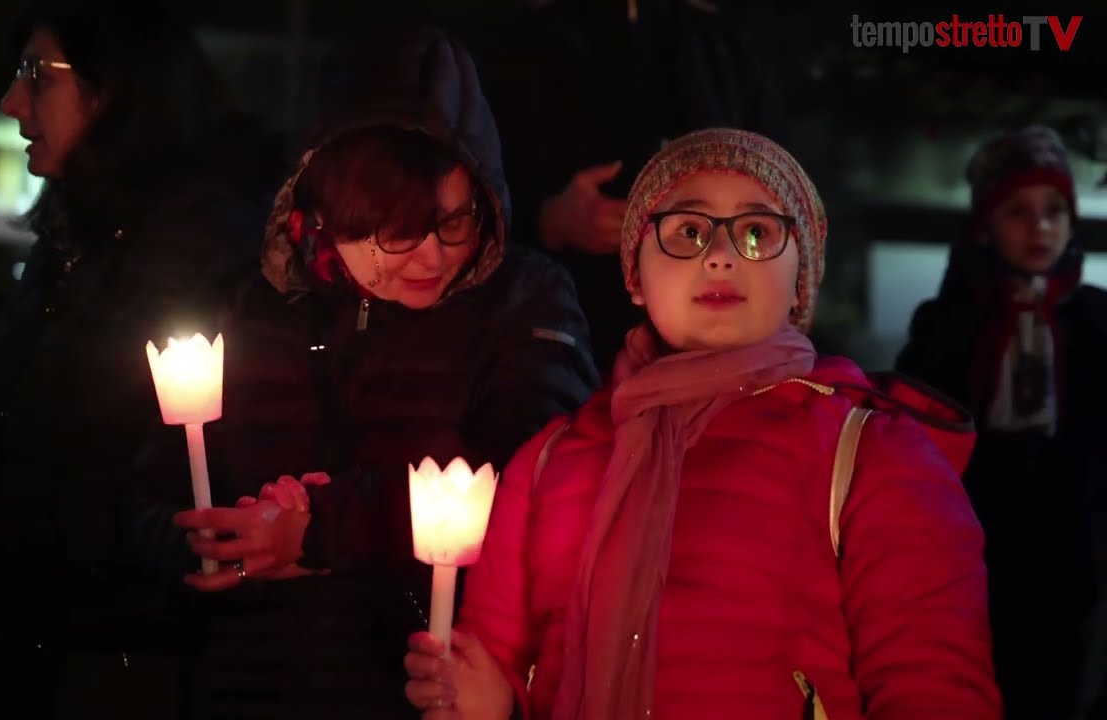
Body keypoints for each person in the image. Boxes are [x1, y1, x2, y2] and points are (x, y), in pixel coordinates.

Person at [403, 129, 1001, 719]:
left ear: (801, 280)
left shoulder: (874, 454)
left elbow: (932, 685)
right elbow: (507, 661)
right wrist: (486, 702)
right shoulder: (549, 462)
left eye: (756, 233)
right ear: (636, 273)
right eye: (688, 231)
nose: (720, 255)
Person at [129, 25, 600, 719]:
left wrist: (320, 528)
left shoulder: (522, 301)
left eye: (456, 222)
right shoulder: (253, 307)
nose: (433, 258)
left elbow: (527, 478)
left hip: (424, 690)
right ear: (323, 211)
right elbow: (146, 489)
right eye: (397, 231)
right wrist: (202, 539)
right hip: (249, 685)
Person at [0, 2, 278, 717]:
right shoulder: (79, 234)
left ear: (113, 90)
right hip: (35, 633)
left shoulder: (190, 252)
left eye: (36, 75)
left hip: (113, 654)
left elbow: (126, 467)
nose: (12, 101)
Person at [896, 125, 1107, 720]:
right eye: (1018, 212)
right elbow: (915, 436)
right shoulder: (950, 322)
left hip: (1075, 537)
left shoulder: (1094, 320)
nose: (1039, 228)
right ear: (986, 225)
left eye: (1053, 211)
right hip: (978, 532)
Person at [458, 0, 785, 375]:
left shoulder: (723, 49)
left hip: (714, 348)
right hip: (565, 336)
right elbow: (471, 199)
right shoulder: (518, 46)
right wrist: (549, 219)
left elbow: (780, 191)